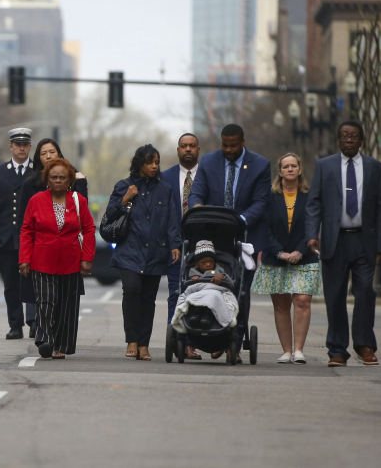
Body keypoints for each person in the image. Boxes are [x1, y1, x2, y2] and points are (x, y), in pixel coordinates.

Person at [306, 121, 381, 367]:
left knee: (365, 292)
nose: (348, 140)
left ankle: (365, 345)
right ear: (338, 140)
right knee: (335, 296)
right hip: (335, 239)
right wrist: (312, 235)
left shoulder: (376, 168)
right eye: (344, 136)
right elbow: (313, 204)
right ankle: (337, 350)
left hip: (365, 240)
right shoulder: (324, 166)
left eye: (353, 136)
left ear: (361, 141)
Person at [188, 123, 271, 358]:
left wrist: (240, 220)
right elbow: (197, 193)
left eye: (233, 145)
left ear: (242, 142)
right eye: (225, 145)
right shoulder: (208, 162)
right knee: (211, 285)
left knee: (240, 290)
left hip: (245, 238)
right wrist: (197, 210)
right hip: (213, 239)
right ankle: (211, 333)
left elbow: (261, 203)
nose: (228, 149)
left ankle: (233, 339)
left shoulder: (260, 165)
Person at [105, 144, 182, 361]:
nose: (154, 166)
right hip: (129, 250)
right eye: (150, 162)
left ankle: (144, 344)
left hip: (156, 252)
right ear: (140, 163)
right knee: (131, 289)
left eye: (157, 162)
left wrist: (175, 244)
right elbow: (110, 214)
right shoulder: (124, 185)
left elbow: (172, 220)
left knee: (148, 298)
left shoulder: (165, 189)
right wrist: (124, 199)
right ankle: (132, 339)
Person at [19, 158, 95, 359]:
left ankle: (61, 345)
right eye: (54, 177)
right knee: (45, 300)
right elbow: (27, 230)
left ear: (70, 180)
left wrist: (87, 258)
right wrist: (24, 258)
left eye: (62, 177)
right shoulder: (36, 201)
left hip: (71, 261)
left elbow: (88, 229)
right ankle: (45, 340)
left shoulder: (79, 201)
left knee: (66, 305)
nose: (58, 181)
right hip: (42, 260)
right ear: (47, 180)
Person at [252, 152, 320, 365]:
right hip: (275, 256)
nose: (290, 169)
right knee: (281, 305)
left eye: (294, 166)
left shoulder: (310, 196)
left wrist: (300, 251)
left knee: (302, 301)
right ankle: (286, 351)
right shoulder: (270, 197)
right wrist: (279, 252)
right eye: (286, 166)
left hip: (305, 256)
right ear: (279, 171)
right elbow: (265, 228)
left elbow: (313, 225)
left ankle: (299, 350)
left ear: (300, 170)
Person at [0, 127, 36, 340]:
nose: (22, 148)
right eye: (18, 144)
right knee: (10, 284)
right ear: (11, 146)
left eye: (25, 144)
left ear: (30, 146)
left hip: (31, 237)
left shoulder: (39, 171)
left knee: (32, 282)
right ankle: (15, 325)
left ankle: (34, 322)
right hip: (6, 236)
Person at [160, 133, 202, 359]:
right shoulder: (165, 178)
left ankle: (197, 340)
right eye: (183, 146)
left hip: (204, 246)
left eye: (192, 146)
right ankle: (178, 340)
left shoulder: (207, 176)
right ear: (177, 150)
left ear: (198, 149)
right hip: (174, 246)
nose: (187, 149)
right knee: (176, 292)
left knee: (201, 291)